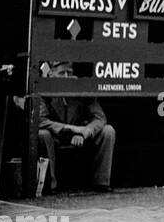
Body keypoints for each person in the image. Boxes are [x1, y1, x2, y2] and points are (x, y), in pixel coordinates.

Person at [36, 62, 116, 193]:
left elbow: (99, 117)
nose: (67, 77)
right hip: (56, 136)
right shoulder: (44, 91)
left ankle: (101, 183)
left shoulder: (80, 89)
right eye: (62, 73)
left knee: (108, 131)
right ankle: (50, 185)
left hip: (80, 135)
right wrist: (70, 128)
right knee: (42, 134)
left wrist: (85, 132)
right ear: (51, 74)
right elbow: (40, 120)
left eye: (70, 73)